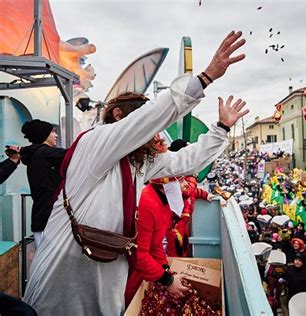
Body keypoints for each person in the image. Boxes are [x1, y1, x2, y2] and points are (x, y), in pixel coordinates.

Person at [24, 30, 248, 315]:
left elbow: (186, 161)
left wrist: (222, 129)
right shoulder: (96, 142)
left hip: (105, 275)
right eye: (143, 121)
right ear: (119, 116)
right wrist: (204, 78)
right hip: (64, 275)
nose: (153, 132)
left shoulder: (137, 162)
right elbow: (147, 119)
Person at [124, 177, 190, 307]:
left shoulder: (162, 201)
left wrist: (165, 269)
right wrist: (167, 281)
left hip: (142, 265)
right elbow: (138, 255)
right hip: (130, 270)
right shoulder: (148, 203)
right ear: (166, 184)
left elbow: (156, 243)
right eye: (181, 181)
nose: (186, 184)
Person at [20, 120, 67, 249]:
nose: (56, 135)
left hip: (40, 218)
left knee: (42, 262)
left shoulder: (35, 154)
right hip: (49, 219)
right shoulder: (45, 153)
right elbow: (73, 154)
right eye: (52, 131)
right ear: (43, 135)